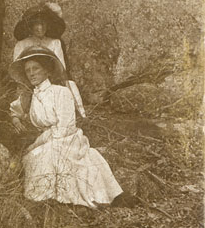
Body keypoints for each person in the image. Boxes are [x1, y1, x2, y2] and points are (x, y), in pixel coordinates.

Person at [8, 46, 127, 208]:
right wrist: (16, 119)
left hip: (68, 139)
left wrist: (38, 143)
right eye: (27, 70)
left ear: (47, 70)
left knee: (44, 154)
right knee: (31, 157)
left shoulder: (61, 92)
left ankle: (56, 197)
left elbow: (65, 127)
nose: (31, 73)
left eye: (35, 68)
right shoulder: (29, 97)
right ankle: (44, 198)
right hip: (47, 139)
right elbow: (14, 109)